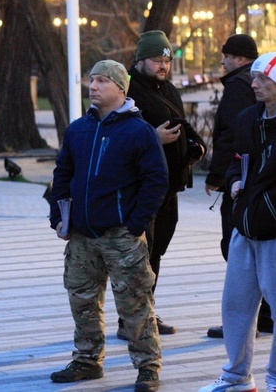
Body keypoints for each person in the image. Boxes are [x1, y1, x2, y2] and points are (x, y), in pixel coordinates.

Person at [49, 60, 168, 392]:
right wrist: (58, 216)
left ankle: (147, 367)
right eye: (91, 80)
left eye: (102, 81)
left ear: (120, 88)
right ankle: (87, 359)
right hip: (82, 236)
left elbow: (155, 181)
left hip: (122, 237)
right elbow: (62, 174)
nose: (93, 86)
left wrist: (135, 223)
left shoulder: (138, 130)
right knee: (82, 300)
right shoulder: (78, 129)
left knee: (135, 303)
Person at [198, 51, 276, 392]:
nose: (254, 84)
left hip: (273, 231)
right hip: (245, 226)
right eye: (254, 78)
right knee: (236, 305)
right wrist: (232, 183)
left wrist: (269, 206)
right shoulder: (248, 118)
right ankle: (236, 377)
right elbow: (235, 159)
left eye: (262, 79)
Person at [124, 30, 206, 338]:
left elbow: (182, 123)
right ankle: (130, 319)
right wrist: (152, 138)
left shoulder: (168, 88)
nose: (163, 65)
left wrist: (196, 145)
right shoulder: (129, 89)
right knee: (141, 252)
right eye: (157, 59)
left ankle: (147, 311)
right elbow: (121, 130)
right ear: (141, 60)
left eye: (167, 59)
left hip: (170, 183)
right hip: (142, 185)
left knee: (157, 249)